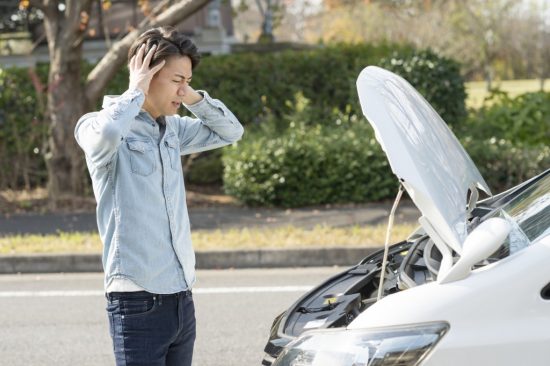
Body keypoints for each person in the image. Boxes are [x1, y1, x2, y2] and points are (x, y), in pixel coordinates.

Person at [74, 26, 244, 366]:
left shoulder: (173, 129)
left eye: (188, 79)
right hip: (136, 300)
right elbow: (107, 133)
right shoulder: (96, 125)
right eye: (177, 79)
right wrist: (136, 88)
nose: (184, 89)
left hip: (181, 297)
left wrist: (188, 94)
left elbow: (231, 131)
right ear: (146, 72)